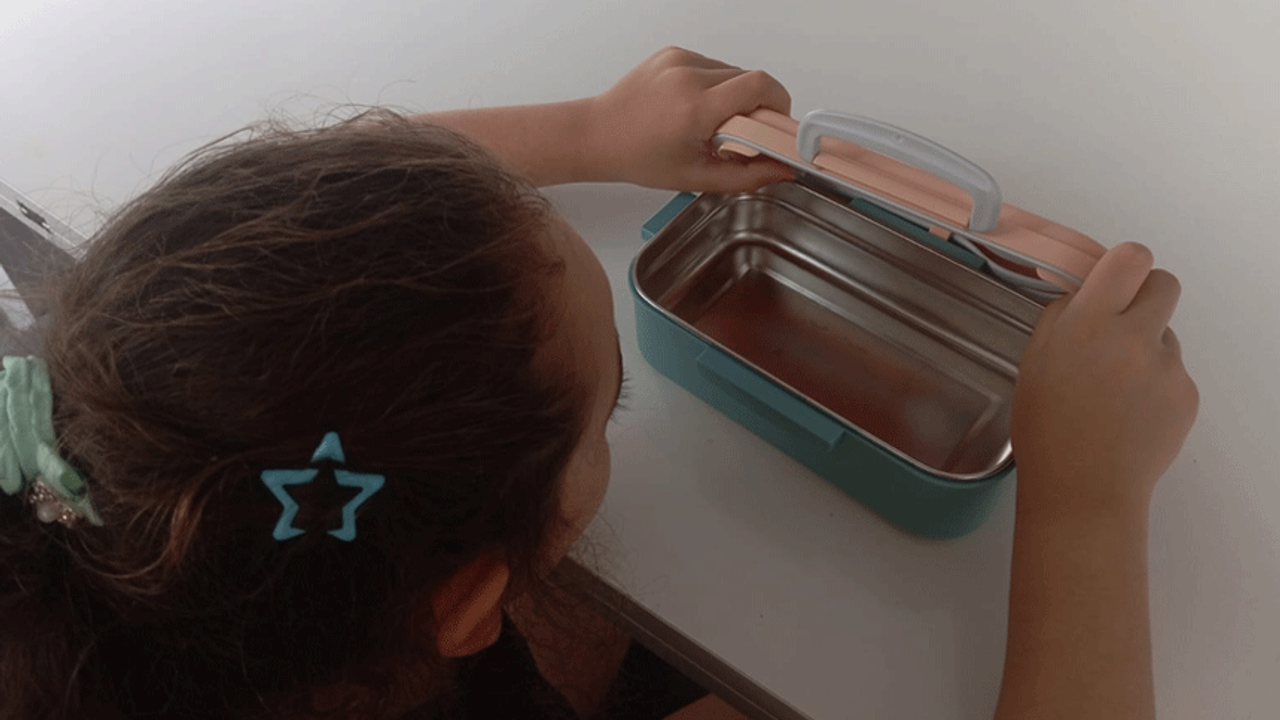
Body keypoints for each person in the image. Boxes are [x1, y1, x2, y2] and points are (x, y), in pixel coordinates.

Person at [0, 47, 1197, 720]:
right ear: (470, 606)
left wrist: (583, 132)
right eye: (610, 402)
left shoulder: (77, 417)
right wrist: (1086, 506)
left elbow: (266, 254)